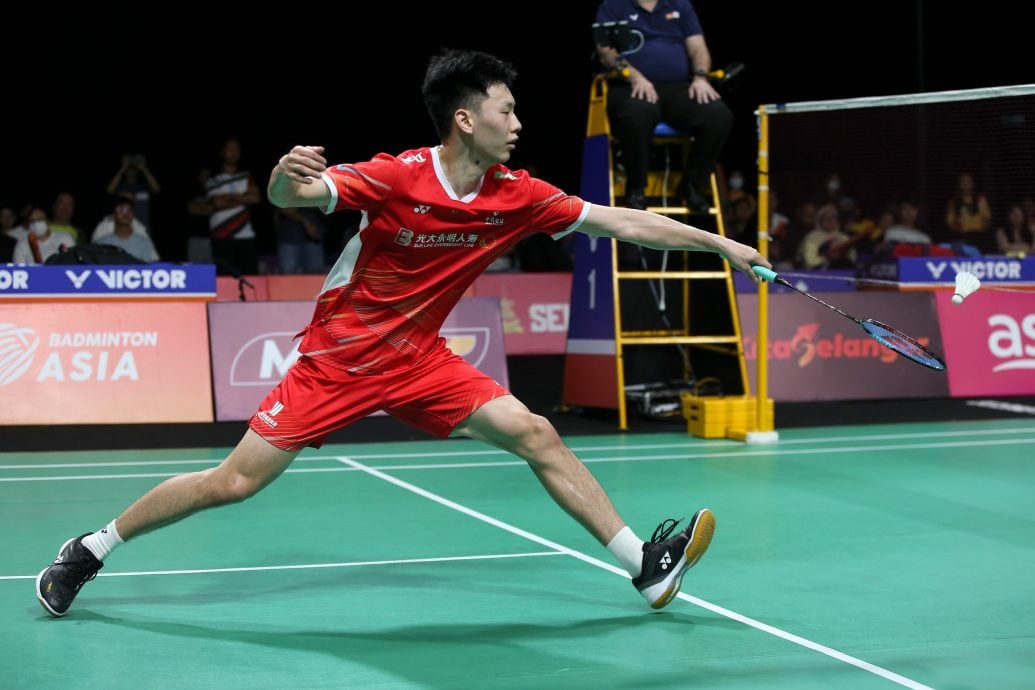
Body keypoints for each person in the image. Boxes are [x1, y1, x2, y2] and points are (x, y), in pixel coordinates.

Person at [35, 48, 769, 619]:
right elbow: (299, 194)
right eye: (507, 110)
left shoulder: (516, 196)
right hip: (339, 359)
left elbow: (622, 222)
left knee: (534, 432)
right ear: (465, 120)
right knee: (233, 482)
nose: (519, 122)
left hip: (419, 361)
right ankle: (90, 548)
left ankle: (643, 565)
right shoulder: (397, 177)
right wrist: (283, 176)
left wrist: (721, 245)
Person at [594, 0, 733, 213]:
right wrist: (635, 77)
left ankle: (692, 186)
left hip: (677, 89)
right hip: (631, 85)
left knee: (718, 115)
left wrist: (700, 77)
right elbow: (606, 53)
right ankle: (636, 189)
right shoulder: (613, 5)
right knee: (637, 113)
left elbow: (698, 47)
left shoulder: (680, 5)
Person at [206, 137, 262, 276]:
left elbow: (255, 198)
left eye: (236, 149)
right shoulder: (214, 180)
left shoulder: (247, 177)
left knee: (251, 278)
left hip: (245, 235)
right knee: (224, 279)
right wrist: (243, 197)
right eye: (229, 149)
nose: (233, 152)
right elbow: (217, 203)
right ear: (222, 152)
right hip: (221, 234)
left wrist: (228, 197)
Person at [93, 195, 161, 262]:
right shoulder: (101, 243)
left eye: (129, 209)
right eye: (121, 209)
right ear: (113, 214)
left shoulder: (144, 243)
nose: (126, 213)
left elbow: (150, 264)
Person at [106, 153, 162, 232]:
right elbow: (109, 190)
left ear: (137, 170)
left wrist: (144, 168)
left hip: (143, 227)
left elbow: (157, 189)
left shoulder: (144, 185)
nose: (131, 171)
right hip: (124, 227)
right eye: (128, 169)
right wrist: (123, 167)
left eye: (133, 169)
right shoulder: (120, 186)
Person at [272, 205, 326, 274]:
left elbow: (324, 205)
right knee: (289, 276)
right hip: (288, 239)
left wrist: (296, 202)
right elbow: (286, 210)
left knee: (316, 275)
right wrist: (306, 222)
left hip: (314, 238)